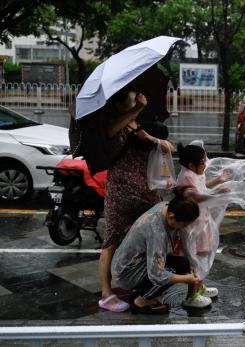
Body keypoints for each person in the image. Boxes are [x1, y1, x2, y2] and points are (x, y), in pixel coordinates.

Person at [97, 87, 176, 312]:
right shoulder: (114, 125)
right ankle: (106, 293)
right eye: (133, 99)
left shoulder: (137, 125)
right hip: (121, 193)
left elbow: (168, 148)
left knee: (151, 238)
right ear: (122, 103)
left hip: (146, 190)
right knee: (111, 241)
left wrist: (149, 136)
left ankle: (143, 285)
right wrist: (139, 108)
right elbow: (112, 132)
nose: (138, 100)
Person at [111, 190, 205, 314]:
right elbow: (157, 275)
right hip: (127, 275)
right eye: (183, 225)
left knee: (183, 263)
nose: (184, 228)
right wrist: (186, 279)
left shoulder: (167, 206)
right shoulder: (157, 231)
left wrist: (192, 264)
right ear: (171, 216)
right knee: (176, 268)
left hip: (135, 262)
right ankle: (141, 301)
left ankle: (146, 290)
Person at [175, 142, 232, 306]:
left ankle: (199, 287)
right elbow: (196, 196)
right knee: (195, 258)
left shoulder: (194, 173)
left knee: (202, 255)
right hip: (193, 226)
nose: (205, 164)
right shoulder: (186, 177)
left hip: (202, 222)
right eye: (202, 162)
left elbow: (203, 186)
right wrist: (216, 193)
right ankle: (191, 296)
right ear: (192, 165)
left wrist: (218, 180)